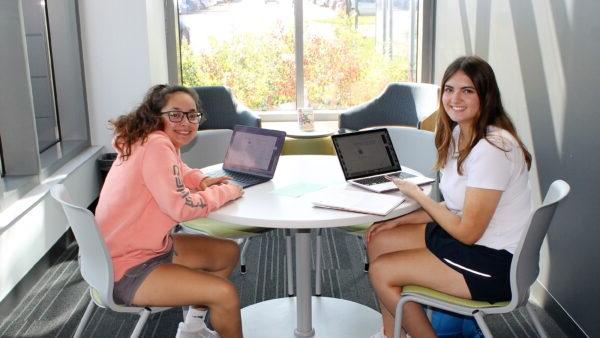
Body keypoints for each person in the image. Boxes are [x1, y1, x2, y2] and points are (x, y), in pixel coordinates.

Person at [366, 55, 533, 338]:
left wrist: (419, 197)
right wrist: (398, 221)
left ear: (486, 96)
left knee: (381, 271)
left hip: (493, 262)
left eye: (467, 90)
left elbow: (467, 232)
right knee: (378, 237)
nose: (455, 98)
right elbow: (455, 207)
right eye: (449, 89)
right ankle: (391, 333)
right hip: (472, 242)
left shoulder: (493, 148)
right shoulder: (459, 133)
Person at [95, 84, 244, 338]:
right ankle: (201, 321)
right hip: (129, 268)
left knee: (227, 252)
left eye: (192, 115)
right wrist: (229, 191)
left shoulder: (154, 139)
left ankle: (193, 329)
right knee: (224, 294)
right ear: (156, 116)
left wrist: (200, 181)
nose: (185, 122)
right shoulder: (156, 146)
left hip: (137, 249)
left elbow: (177, 169)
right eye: (175, 114)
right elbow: (181, 208)